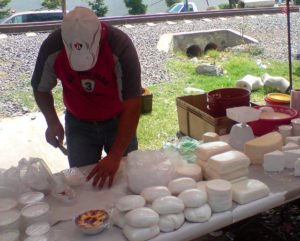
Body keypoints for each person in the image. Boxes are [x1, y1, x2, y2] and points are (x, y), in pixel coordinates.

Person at [31, 6, 141, 189]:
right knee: (83, 184)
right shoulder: (52, 47)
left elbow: (133, 104)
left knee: (127, 179)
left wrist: (115, 155)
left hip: (118, 121)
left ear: (98, 37)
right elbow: (40, 88)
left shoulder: (119, 46)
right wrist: (52, 121)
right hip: (79, 124)